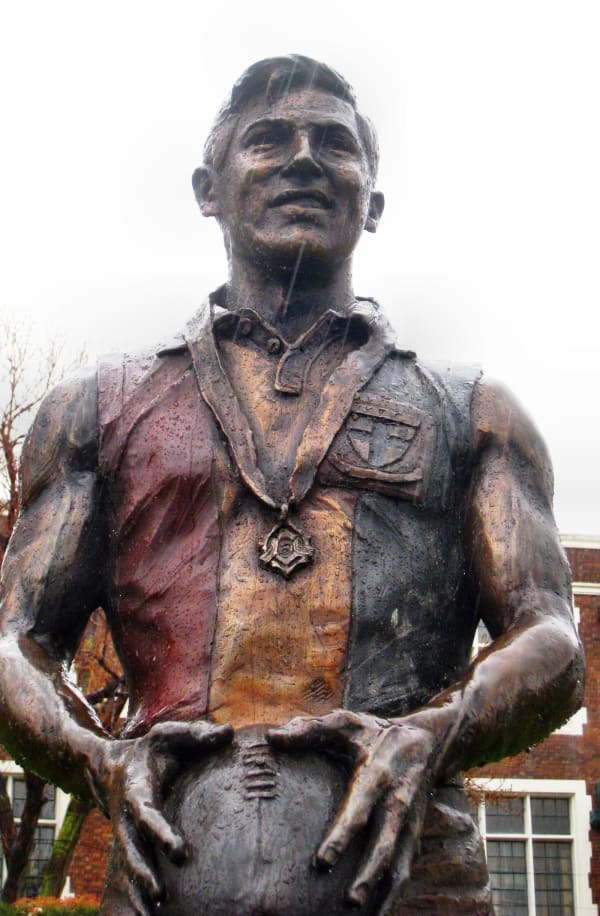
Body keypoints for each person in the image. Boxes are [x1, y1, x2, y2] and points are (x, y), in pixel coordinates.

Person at [0, 56, 584, 915]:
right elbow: (16, 643)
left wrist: (431, 732)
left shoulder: (473, 411)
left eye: (335, 145)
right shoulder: (97, 409)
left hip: (415, 875)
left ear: (372, 202)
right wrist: (96, 756)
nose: (304, 158)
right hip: (168, 874)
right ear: (210, 187)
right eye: (268, 140)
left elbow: (553, 638)